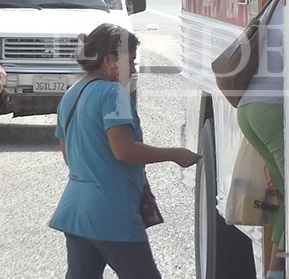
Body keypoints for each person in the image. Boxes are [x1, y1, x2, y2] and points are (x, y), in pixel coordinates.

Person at [49, 23, 201, 279]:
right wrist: (175, 154)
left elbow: (68, 156)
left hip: (76, 211)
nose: (133, 67)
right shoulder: (113, 94)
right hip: (111, 211)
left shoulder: (71, 94)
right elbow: (124, 151)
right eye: (129, 60)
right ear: (109, 60)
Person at [236, 0, 285, 279]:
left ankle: (275, 272)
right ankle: (279, 270)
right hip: (272, 110)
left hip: (249, 108)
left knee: (286, 195)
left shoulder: (276, 3)